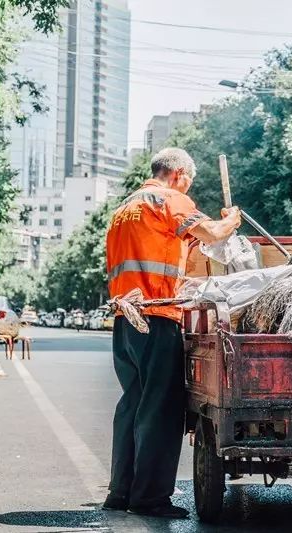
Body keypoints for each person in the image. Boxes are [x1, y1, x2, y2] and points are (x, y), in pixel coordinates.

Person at [103, 147, 241, 519]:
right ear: (178, 174)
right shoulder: (169, 199)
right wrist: (231, 221)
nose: (189, 189)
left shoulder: (124, 209)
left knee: (133, 404)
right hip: (157, 317)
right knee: (161, 409)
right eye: (189, 183)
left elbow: (172, 243)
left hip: (125, 321)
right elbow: (211, 232)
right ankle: (149, 499)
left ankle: (121, 492)